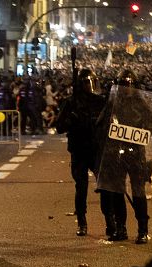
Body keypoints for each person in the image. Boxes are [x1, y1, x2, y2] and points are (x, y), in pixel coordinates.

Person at [95, 69, 152, 244]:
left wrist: (141, 130)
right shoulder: (113, 103)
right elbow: (101, 123)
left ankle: (142, 229)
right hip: (116, 152)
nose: (127, 88)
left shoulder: (141, 103)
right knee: (118, 191)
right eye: (124, 85)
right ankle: (121, 228)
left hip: (136, 152)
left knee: (138, 192)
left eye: (129, 85)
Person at [55, 69, 106, 237]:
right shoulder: (71, 103)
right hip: (79, 149)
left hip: (96, 149)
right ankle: (82, 222)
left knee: (105, 186)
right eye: (86, 83)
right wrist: (71, 119)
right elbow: (59, 127)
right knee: (81, 187)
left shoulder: (100, 101)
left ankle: (111, 221)